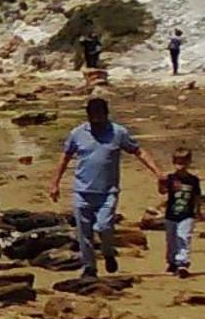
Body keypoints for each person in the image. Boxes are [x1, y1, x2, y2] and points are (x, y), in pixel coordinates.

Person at [49, 96, 163, 278]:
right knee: (84, 233)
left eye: (99, 116)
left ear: (106, 114)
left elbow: (138, 151)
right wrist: (54, 183)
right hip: (82, 191)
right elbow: (65, 157)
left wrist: (158, 173)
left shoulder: (118, 133)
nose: (96, 121)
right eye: (93, 117)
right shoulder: (77, 133)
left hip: (108, 192)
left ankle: (108, 251)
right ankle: (89, 268)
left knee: (103, 227)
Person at [160, 147, 201, 276]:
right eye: (178, 163)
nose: (180, 166)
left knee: (183, 237)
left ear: (189, 162)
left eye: (183, 163)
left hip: (187, 214)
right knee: (171, 239)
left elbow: (197, 196)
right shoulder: (171, 178)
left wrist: (198, 211)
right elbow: (162, 191)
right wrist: (161, 181)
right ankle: (172, 262)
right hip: (171, 214)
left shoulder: (193, 180)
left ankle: (183, 263)